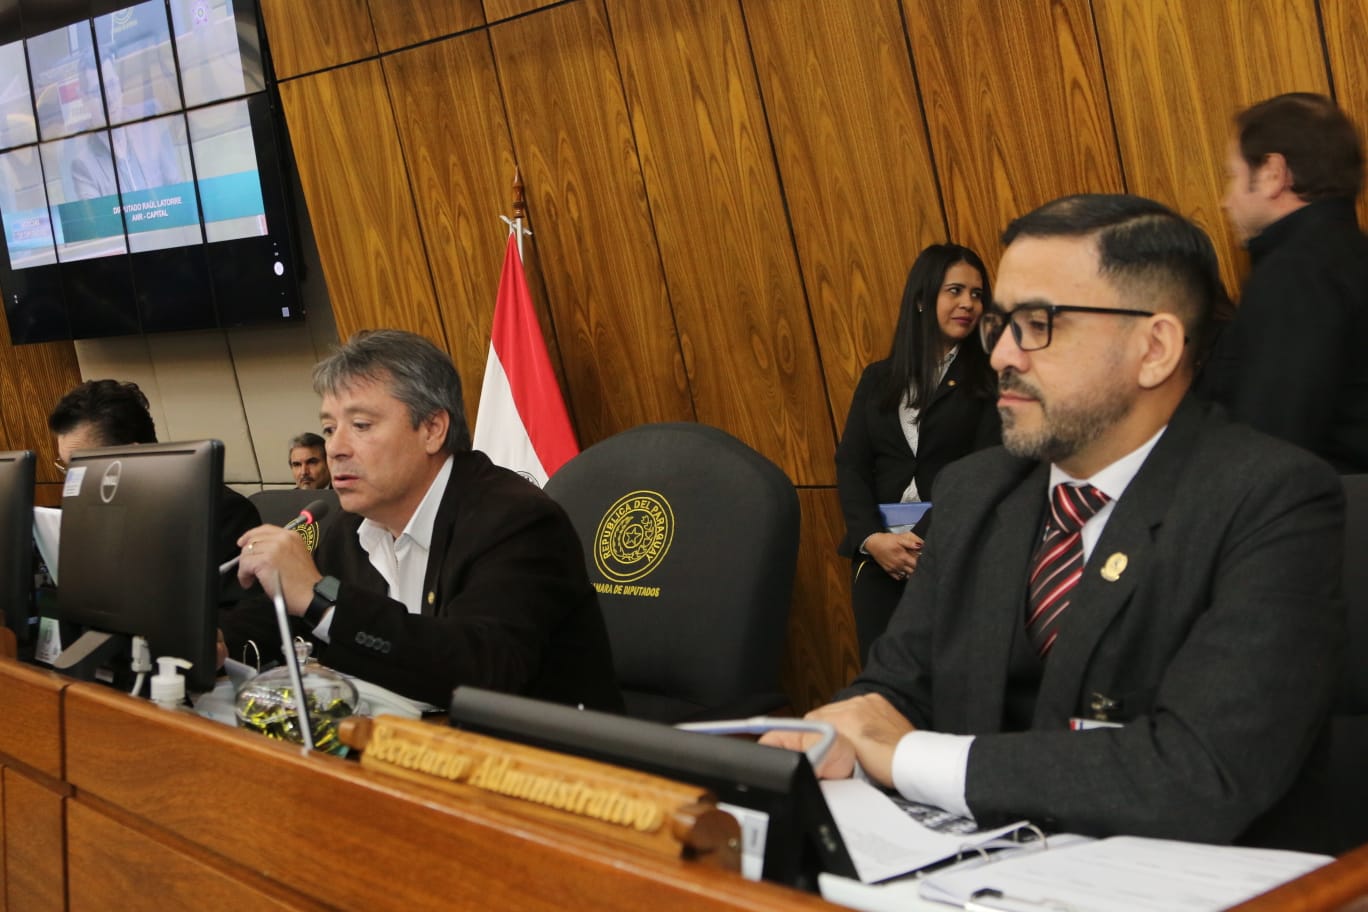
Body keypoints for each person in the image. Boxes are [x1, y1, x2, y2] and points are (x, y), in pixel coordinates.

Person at [763, 194, 1343, 846]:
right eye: (999, 324)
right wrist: (832, 733)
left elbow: (1202, 772)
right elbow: (898, 688)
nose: (1004, 354)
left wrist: (908, 758)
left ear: (1154, 348)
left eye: (1038, 323)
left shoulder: (1272, 500)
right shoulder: (974, 489)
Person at [223, 330, 622, 712]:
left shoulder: (516, 521)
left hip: (545, 768)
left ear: (432, 429)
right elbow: (282, 622)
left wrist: (321, 599)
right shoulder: (352, 528)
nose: (336, 449)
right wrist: (220, 642)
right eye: (329, 429)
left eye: (360, 426)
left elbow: (481, 669)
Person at [836, 243, 999, 661]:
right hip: (877, 559)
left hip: (954, 553)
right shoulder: (878, 378)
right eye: (956, 291)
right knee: (880, 683)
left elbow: (982, 471)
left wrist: (917, 544)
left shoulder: (991, 380)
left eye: (977, 294)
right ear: (924, 300)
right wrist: (871, 539)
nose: (968, 303)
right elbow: (852, 464)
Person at [1197, 92, 1368, 472]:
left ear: (1273, 173)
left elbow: (1269, 444)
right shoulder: (1351, 256)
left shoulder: (1294, 275)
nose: (1226, 201)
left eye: (1234, 176)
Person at [47, 379, 261, 600]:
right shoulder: (91, 517)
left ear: (134, 456)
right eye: (67, 468)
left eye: (82, 467)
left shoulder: (220, 512)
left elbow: (242, 617)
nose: (74, 483)